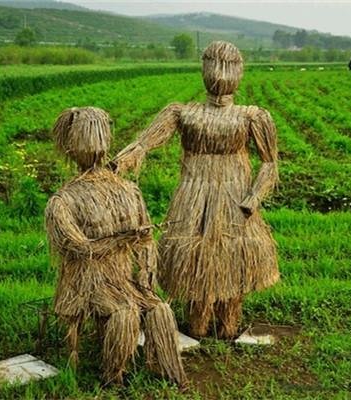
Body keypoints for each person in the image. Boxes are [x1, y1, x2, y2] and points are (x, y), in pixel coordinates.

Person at [113, 41, 279, 339]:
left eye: (227, 67)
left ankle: (228, 323)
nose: (220, 74)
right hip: (194, 195)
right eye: (216, 66)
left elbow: (270, 163)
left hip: (234, 196)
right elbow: (143, 143)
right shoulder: (183, 113)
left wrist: (253, 198)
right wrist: (119, 163)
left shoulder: (252, 116)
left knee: (232, 256)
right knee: (194, 257)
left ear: (238, 71)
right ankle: (198, 325)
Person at [45, 107, 187, 386]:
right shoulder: (64, 200)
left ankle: (170, 371)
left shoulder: (126, 190)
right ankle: (113, 375)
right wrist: (121, 240)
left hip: (124, 279)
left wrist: (146, 275)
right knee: (124, 311)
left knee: (160, 309)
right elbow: (75, 247)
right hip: (88, 283)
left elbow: (146, 241)